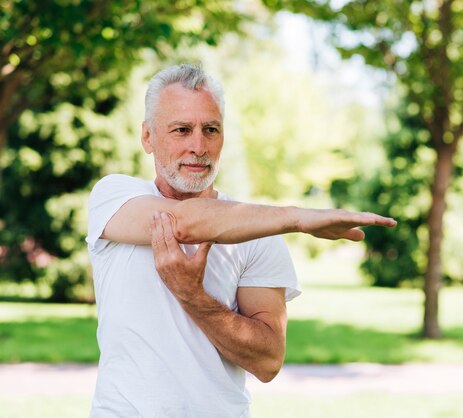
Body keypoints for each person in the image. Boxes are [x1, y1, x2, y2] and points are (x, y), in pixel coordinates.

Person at [86, 63, 396, 418]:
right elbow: (181, 223)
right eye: (182, 130)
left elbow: (267, 361)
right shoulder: (115, 196)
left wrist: (193, 295)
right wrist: (295, 218)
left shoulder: (258, 232)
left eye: (211, 129)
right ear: (147, 137)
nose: (198, 146)